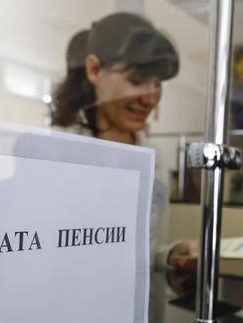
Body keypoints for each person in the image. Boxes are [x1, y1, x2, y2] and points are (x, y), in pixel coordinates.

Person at [51, 13, 198, 271]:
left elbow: (138, 249)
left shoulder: (151, 152)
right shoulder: (61, 152)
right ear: (94, 70)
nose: (151, 98)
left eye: (157, 84)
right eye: (137, 80)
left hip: (139, 308)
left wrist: (169, 255)